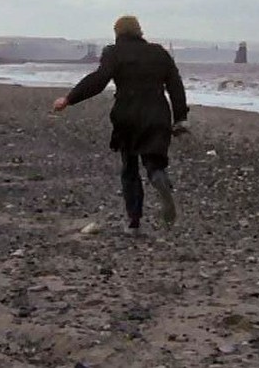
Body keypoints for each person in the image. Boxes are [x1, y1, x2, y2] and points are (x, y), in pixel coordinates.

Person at [53, 15, 189, 234]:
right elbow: (175, 85)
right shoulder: (159, 53)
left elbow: (99, 80)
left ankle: (134, 222)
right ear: (140, 31)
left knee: (130, 168)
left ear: (117, 33)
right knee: (154, 160)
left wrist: (69, 99)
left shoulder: (113, 52)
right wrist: (180, 116)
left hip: (127, 115)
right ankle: (158, 177)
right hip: (157, 114)